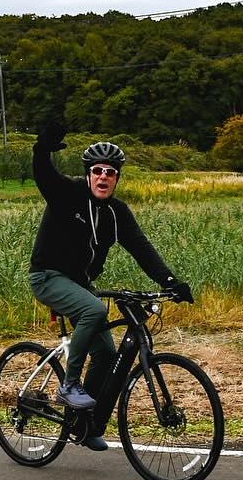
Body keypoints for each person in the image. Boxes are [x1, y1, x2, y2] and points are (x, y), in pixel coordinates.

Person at [28, 120, 193, 451]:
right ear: (88, 173)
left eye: (111, 172)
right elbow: (44, 176)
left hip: (79, 282)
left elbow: (142, 249)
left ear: (117, 178)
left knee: (105, 352)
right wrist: (42, 149)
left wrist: (170, 281)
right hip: (47, 276)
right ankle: (69, 385)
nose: (104, 177)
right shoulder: (68, 194)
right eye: (98, 170)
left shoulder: (117, 213)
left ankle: (85, 426)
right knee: (92, 309)